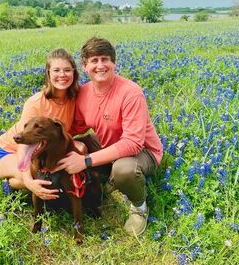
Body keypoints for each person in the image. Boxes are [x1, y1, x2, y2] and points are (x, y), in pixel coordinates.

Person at [53, 37, 163, 236]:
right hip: (108, 145)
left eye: (105, 59)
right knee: (78, 143)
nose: (100, 65)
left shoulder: (131, 92)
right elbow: (74, 127)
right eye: (94, 61)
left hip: (143, 152)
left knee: (123, 170)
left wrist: (85, 161)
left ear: (114, 63)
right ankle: (101, 179)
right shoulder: (84, 93)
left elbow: (132, 144)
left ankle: (139, 206)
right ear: (85, 66)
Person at [0, 48, 79, 201]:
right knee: (36, 176)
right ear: (48, 74)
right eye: (56, 70)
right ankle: (13, 184)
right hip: (8, 151)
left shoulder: (74, 98)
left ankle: (21, 182)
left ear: (74, 73)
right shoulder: (36, 102)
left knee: (52, 171)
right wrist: (29, 181)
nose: (62, 75)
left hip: (39, 149)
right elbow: (23, 145)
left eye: (67, 70)